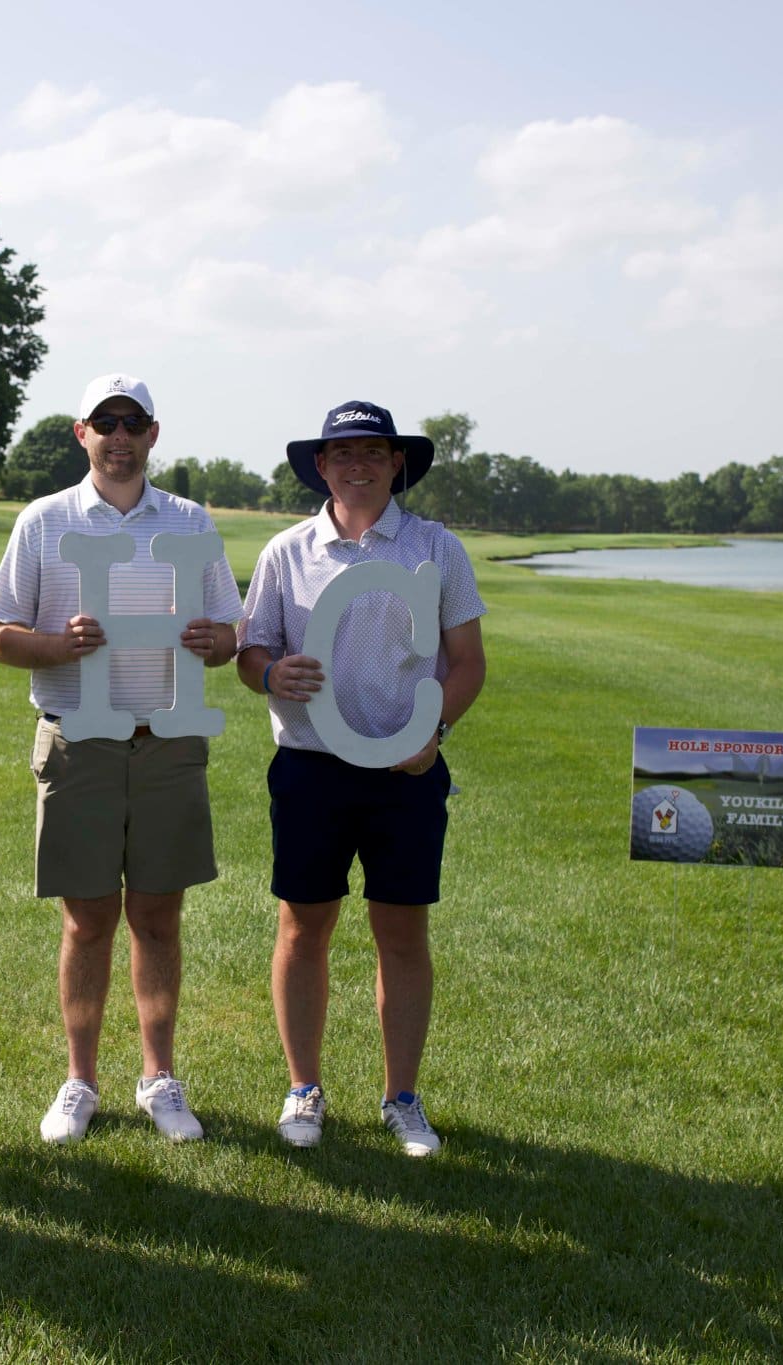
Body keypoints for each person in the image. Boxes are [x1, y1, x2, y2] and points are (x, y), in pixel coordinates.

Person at [0, 374, 242, 1145]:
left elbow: (231, 634)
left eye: (134, 423)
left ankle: (159, 1075)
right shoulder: (44, 521)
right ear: (82, 432)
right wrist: (55, 646)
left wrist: (215, 643)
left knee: (158, 918)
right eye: (107, 422)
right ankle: (80, 1079)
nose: (120, 436)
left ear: (153, 435)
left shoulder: (192, 524)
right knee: (87, 919)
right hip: (77, 742)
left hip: (167, 743)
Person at [236, 401, 488, 1157]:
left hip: (407, 770)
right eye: (341, 453)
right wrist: (274, 670)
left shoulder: (436, 548)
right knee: (302, 926)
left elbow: (469, 661)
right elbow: (252, 654)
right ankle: (303, 1087)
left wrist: (434, 734)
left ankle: (402, 1098)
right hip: (311, 766)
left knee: (401, 932)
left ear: (395, 463)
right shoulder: (288, 550)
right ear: (321, 465)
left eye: (372, 452)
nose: (356, 465)